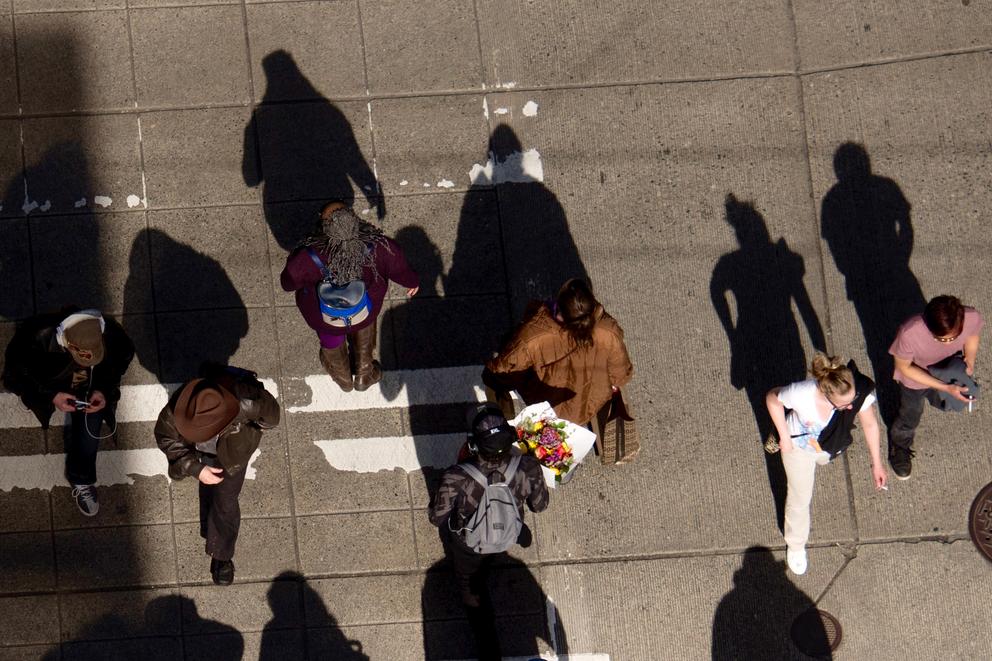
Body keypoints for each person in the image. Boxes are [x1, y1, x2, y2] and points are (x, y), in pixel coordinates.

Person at [428, 404, 549, 661]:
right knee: (490, 557)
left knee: (469, 583)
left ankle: (488, 648)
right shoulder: (527, 466)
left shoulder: (457, 476)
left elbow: (436, 517)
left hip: (468, 543)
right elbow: (539, 505)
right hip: (507, 533)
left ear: (473, 445)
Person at [154, 363, 280, 585]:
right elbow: (165, 436)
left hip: (233, 454)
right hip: (206, 454)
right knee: (215, 494)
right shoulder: (181, 407)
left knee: (225, 500)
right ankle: (214, 535)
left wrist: (255, 423)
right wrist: (195, 467)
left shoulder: (247, 402)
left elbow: (271, 418)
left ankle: (222, 555)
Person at [484, 278, 635, 462]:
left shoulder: (534, 335)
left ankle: (503, 440)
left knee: (493, 380)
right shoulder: (608, 330)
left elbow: (503, 370)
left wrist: (492, 375)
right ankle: (594, 448)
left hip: (547, 404)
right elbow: (622, 373)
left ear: (560, 312)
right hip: (589, 401)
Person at [2, 307, 134, 516]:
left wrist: (103, 390)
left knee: (91, 430)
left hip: (88, 387)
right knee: (34, 396)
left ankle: (81, 478)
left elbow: (121, 360)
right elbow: (16, 375)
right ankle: (38, 402)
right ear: (67, 344)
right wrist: (50, 395)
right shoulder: (36, 337)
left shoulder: (113, 336)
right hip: (51, 383)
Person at [766, 354, 887, 575]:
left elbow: (869, 424)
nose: (851, 408)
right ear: (826, 394)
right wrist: (784, 437)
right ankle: (796, 545)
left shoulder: (855, 388)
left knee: (819, 464)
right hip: (799, 448)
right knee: (800, 499)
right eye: (844, 405)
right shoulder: (802, 393)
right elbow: (773, 398)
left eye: (852, 401)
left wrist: (876, 464)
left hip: (828, 445)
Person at [280, 201, 418, 392]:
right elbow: (401, 269)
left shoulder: (307, 256)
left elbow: (288, 284)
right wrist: (412, 282)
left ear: (324, 225)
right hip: (365, 310)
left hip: (325, 317)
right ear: (354, 220)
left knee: (331, 336)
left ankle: (343, 378)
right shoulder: (379, 246)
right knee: (363, 325)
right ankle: (364, 373)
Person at [888, 295, 983, 479]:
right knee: (911, 413)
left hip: (946, 370)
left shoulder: (970, 316)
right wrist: (944, 387)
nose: (947, 343)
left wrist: (969, 359)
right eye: (940, 339)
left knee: (945, 401)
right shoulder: (909, 332)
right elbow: (903, 367)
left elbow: (973, 334)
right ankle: (900, 445)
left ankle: (938, 396)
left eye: (952, 338)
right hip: (915, 377)